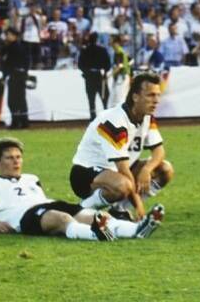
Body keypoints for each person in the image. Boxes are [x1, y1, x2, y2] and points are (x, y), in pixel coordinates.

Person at [0, 137, 162, 240]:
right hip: (23, 217)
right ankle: (95, 235)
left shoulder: (31, 179)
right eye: (10, 158)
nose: (16, 161)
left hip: (48, 204)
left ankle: (136, 229)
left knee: (93, 216)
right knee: (61, 219)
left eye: (18, 157)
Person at [70, 71, 173, 221]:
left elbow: (159, 151)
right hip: (85, 173)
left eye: (158, 95)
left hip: (117, 171)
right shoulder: (115, 121)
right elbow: (123, 169)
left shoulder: (147, 117)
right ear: (135, 97)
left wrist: (146, 169)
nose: (156, 100)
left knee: (165, 170)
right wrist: (140, 207)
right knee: (123, 185)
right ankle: (82, 209)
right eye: (151, 95)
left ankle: (119, 209)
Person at [1, 28, 34, 130]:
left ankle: (15, 122)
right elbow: (28, 61)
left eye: (9, 34)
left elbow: (7, 64)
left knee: (13, 100)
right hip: (21, 75)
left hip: (14, 75)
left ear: (14, 36)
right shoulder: (23, 47)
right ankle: (24, 121)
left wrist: (4, 76)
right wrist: (25, 71)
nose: (7, 37)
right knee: (21, 99)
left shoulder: (10, 48)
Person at [79, 32, 111, 119]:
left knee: (91, 98)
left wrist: (86, 72)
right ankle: (105, 115)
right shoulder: (102, 50)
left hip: (89, 76)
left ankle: (93, 116)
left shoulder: (85, 50)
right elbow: (108, 64)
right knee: (104, 96)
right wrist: (105, 71)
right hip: (99, 76)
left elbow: (80, 65)